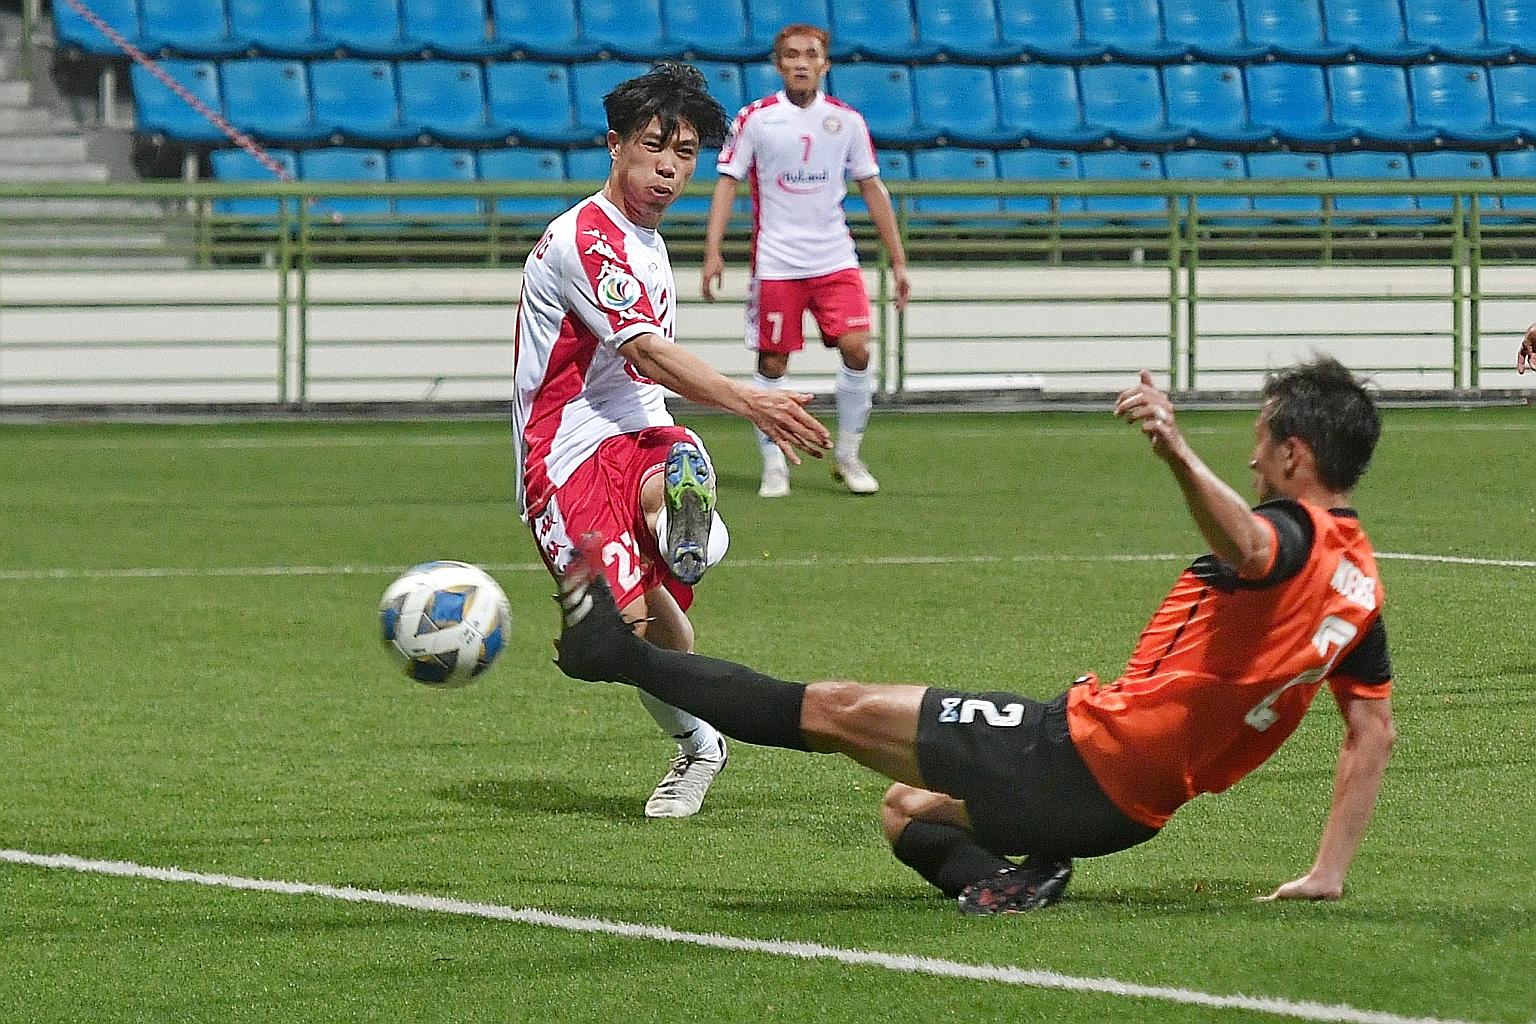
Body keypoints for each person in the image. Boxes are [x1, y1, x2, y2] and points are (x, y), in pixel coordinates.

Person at [552, 358, 1397, 912]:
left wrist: (1174, 448)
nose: (1250, 462)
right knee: (907, 812)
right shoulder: (1358, 585)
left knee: (837, 711)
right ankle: (1012, 878)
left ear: (1294, 455)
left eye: (1258, 444)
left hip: (1083, 757)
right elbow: (1372, 730)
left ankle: (619, 654)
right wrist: (1328, 872)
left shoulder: (1284, 540)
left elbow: (1251, 547)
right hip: (1126, 806)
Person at [514, 63, 831, 819]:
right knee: (632, 641)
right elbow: (647, 351)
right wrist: (751, 401)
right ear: (615, 146)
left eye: (685, 152)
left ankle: (682, 512)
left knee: (667, 478)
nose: (669, 167)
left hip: (641, 430)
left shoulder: (647, 238)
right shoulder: (588, 240)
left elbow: (645, 368)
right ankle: (700, 740)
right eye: (655, 147)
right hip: (563, 452)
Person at [701, 24, 912, 499]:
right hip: (777, 261)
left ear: (825, 64)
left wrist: (898, 261)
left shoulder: (847, 121)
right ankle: (775, 464)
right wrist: (713, 251)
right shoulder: (755, 118)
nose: (801, 63)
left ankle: (848, 455)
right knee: (773, 362)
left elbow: (872, 187)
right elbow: (727, 182)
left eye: (810, 55)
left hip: (833, 257)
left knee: (858, 349)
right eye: (791, 55)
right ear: (779, 65)